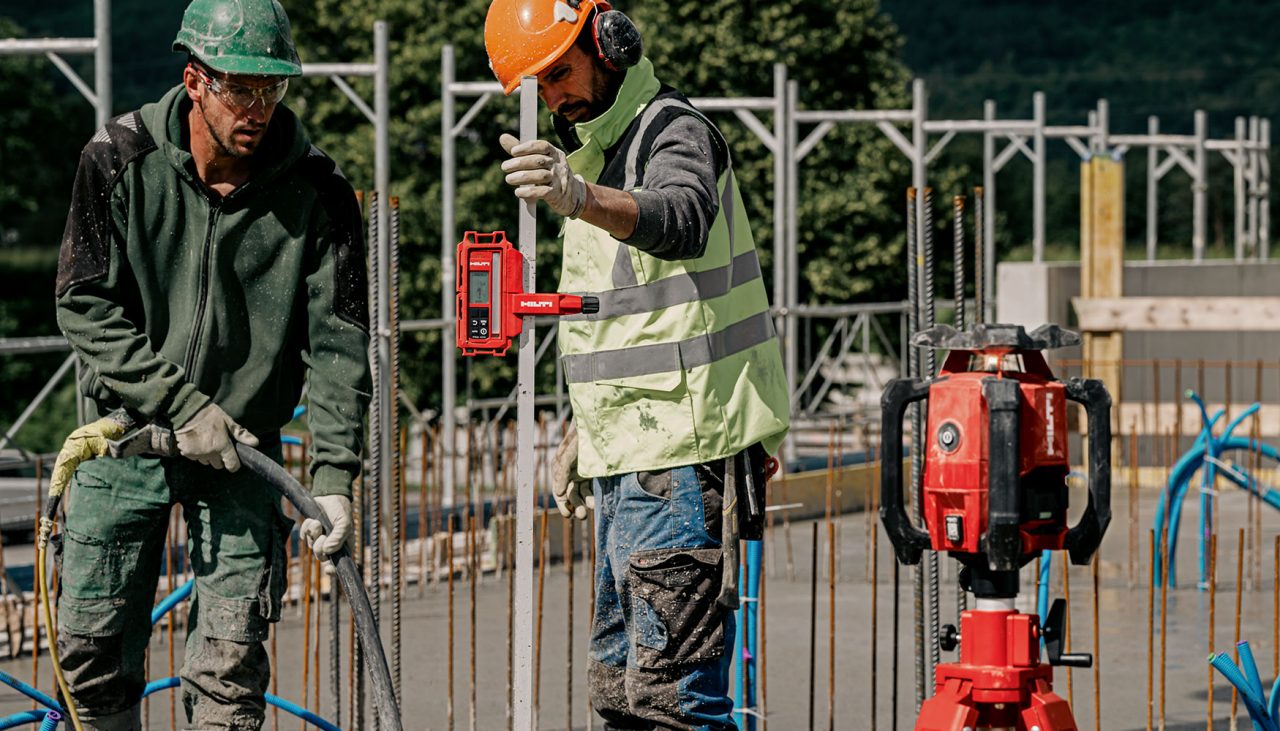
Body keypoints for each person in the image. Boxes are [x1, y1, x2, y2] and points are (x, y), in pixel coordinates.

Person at [51, 0, 369, 727]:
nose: (258, 108)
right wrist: (180, 403)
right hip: (124, 436)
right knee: (89, 656)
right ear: (194, 78)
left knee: (230, 671)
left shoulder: (319, 191)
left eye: (273, 89)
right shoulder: (115, 160)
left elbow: (339, 345)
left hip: (244, 454)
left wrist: (335, 478)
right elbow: (83, 304)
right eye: (241, 88)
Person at [485, 1, 790, 727]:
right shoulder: (594, 154)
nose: (555, 95)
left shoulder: (670, 129)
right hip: (633, 459)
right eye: (539, 84)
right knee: (621, 696)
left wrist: (579, 198)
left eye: (560, 71)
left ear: (608, 42)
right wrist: (583, 432)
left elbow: (682, 218)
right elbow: (625, 324)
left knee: (674, 701)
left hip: (685, 457)